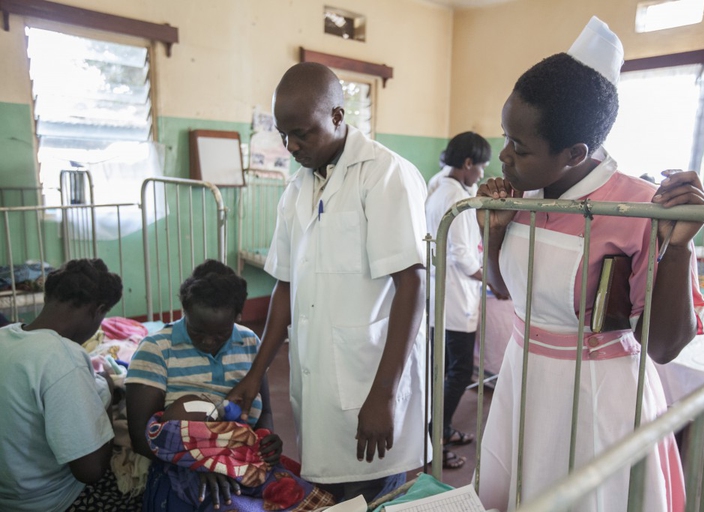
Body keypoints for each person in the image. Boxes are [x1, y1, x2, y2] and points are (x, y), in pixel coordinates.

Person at [474, 16, 704, 512]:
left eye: (520, 146)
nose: (504, 156)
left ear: (575, 153)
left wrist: (679, 248)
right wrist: (493, 233)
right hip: (524, 377)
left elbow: (663, 347)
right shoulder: (523, 197)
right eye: (505, 136)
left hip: (597, 395)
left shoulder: (637, 208)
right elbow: (504, 292)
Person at [226, 62, 429, 503]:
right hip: (319, 382)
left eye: (302, 133)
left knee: (373, 495)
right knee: (332, 491)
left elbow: (412, 285)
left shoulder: (384, 174)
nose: (290, 145)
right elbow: (285, 286)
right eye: (283, 134)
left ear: (338, 116)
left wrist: (383, 394)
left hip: (368, 382)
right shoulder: (297, 188)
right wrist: (256, 374)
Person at [125, 260, 285, 511]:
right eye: (197, 332)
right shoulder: (156, 349)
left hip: (242, 460)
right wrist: (196, 464)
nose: (209, 341)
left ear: (238, 316)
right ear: (185, 311)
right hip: (176, 465)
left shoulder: (249, 343)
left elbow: (263, 412)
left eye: (221, 333)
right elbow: (141, 436)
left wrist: (267, 440)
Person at [0, 258, 134, 512]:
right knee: (149, 486)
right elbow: (90, 470)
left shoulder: (4, 336)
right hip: (49, 502)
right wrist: (103, 399)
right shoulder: (62, 357)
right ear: (98, 310)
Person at [425, 131, 490, 469]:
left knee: (445, 368)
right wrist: (492, 280)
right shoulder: (457, 200)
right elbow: (463, 256)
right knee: (459, 370)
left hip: (444, 295)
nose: (482, 174)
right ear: (468, 164)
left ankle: (442, 429)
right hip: (454, 297)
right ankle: (435, 439)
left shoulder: (442, 188)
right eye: (481, 167)